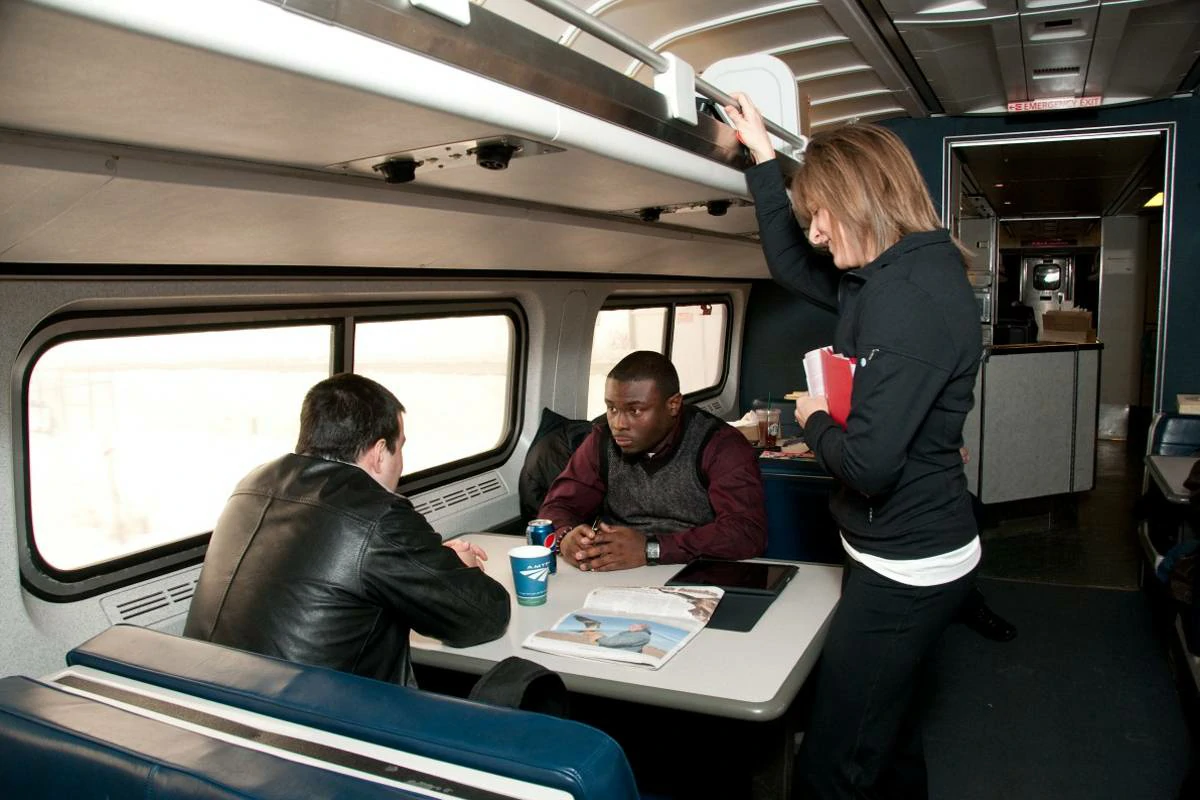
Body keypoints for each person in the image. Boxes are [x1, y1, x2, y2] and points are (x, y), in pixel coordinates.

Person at [726, 94, 982, 798]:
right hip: (891, 550)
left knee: (834, 759)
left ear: (855, 201)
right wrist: (765, 160)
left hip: (910, 566)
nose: (812, 233)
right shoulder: (882, 279)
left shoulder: (911, 300)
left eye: (817, 215)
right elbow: (788, 264)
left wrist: (810, 416)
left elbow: (869, 467)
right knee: (889, 734)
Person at [184, 373, 510, 687]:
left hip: (209, 697)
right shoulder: (376, 512)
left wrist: (437, 563)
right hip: (312, 720)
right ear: (380, 453)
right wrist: (462, 568)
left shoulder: (251, 485)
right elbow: (483, 617)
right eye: (401, 448)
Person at [538, 350, 767, 571]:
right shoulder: (602, 440)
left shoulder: (720, 445)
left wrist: (651, 549)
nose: (618, 423)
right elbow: (558, 506)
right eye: (612, 408)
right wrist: (565, 536)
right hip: (618, 570)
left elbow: (745, 533)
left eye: (635, 411)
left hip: (698, 570)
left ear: (673, 405)